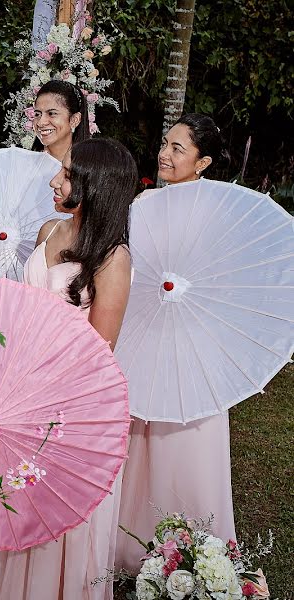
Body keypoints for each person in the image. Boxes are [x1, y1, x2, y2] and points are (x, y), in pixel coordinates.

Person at [0, 138, 137, 600]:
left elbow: (99, 352)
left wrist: (40, 379)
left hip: (66, 403)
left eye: (69, 174)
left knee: (46, 509)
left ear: (96, 187)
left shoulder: (113, 259)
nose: (56, 180)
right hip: (13, 383)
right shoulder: (48, 231)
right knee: (5, 496)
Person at [115, 113, 236, 574]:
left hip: (191, 336)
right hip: (145, 326)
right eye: (165, 144)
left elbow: (222, 280)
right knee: (140, 428)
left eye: (178, 149)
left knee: (183, 438)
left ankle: (192, 548)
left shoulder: (215, 210)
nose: (165, 154)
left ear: (202, 162)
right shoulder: (143, 201)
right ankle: (134, 542)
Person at [32, 80, 90, 162]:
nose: (40, 123)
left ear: (74, 120)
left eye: (51, 113)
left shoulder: (91, 168)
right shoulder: (24, 166)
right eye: (37, 114)